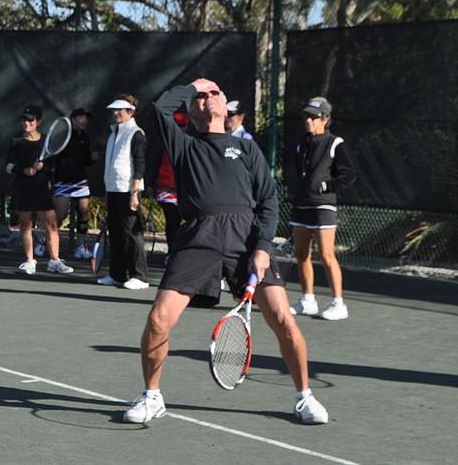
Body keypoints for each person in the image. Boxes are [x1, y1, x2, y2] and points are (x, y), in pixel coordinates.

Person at [122, 79, 329, 426]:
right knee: (158, 319)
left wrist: (262, 248)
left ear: (225, 105)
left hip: (245, 237)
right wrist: (192, 85)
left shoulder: (246, 149)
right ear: (190, 108)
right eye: (200, 96)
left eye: (214, 93)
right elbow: (158, 108)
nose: (208, 98)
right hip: (197, 235)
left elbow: (268, 201)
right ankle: (152, 395)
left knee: (283, 319)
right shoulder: (183, 146)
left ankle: (304, 397)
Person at [288, 96, 356, 321]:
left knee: (326, 255)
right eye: (306, 116)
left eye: (313, 117)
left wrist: (326, 186)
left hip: (323, 206)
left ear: (325, 119)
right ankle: (308, 300)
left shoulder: (335, 143)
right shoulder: (302, 144)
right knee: (301, 254)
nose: (308, 121)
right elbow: (300, 173)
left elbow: (348, 175)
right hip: (301, 205)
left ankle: (339, 303)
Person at [5, 104, 74, 276]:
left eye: (31, 120)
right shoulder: (16, 142)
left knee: (51, 224)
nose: (27, 123)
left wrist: (42, 167)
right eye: (24, 120)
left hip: (42, 189)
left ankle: (54, 261)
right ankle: (30, 261)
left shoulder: (46, 142)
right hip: (22, 188)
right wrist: (24, 170)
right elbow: (8, 165)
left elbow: (52, 165)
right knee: (26, 225)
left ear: (38, 121)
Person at [97, 95, 149, 290]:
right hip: (114, 189)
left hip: (129, 190)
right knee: (116, 233)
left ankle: (140, 277)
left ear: (131, 112)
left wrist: (134, 192)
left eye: (121, 110)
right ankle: (117, 274)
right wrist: (108, 191)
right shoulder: (114, 133)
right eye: (114, 110)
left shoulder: (136, 134)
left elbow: (140, 165)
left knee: (131, 234)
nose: (116, 113)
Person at [53, 107, 97, 260]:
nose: (84, 120)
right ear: (73, 120)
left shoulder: (86, 138)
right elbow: (54, 157)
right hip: (62, 181)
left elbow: (87, 160)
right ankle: (48, 241)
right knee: (61, 214)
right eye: (80, 118)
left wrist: (93, 157)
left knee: (84, 213)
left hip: (80, 181)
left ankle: (80, 246)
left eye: (85, 118)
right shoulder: (63, 137)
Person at [146, 111, 190, 261]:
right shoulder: (162, 142)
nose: (179, 128)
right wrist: (150, 184)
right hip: (165, 187)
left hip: (183, 190)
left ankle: (180, 252)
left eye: (181, 126)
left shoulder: (190, 143)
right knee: (171, 221)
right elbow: (154, 163)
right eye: (176, 125)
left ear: (186, 127)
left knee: (183, 222)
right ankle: (172, 252)